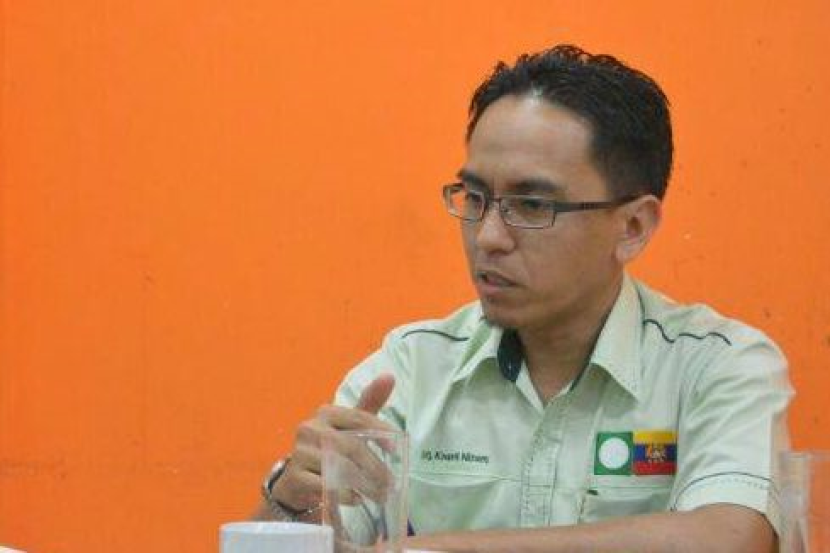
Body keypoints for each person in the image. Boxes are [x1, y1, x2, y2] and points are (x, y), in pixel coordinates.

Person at [254, 44, 792, 552]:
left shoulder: (717, 367)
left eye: (532, 205)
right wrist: (290, 502)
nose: (488, 236)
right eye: (475, 198)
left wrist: (435, 549)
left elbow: (730, 538)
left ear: (632, 226)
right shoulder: (412, 369)